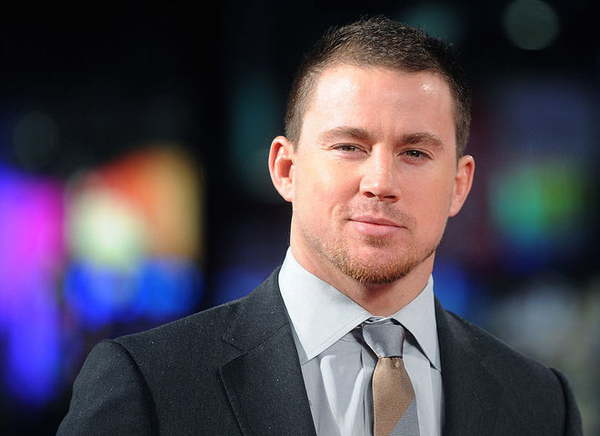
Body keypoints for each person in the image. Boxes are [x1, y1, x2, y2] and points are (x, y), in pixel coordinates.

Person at [57, 16, 583, 436]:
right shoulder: (149, 386)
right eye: (349, 146)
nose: (381, 182)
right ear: (286, 169)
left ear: (460, 185)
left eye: (415, 152)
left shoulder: (541, 404)